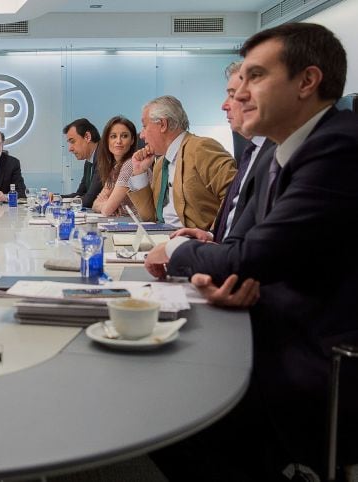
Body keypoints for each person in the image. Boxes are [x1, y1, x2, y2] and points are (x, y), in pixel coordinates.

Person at [146, 23, 358, 479]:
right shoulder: (286, 151)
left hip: (312, 351)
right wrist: (220, 266)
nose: (239, 93)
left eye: (255, 76)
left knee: (164, 410)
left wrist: (180, 249)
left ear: (308, 81)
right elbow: (245, 251)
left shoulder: (338, 146)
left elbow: (246, 259)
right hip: (269, 323)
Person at [172, 61, 275, 243]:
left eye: (233, 96)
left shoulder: (277, 157)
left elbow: (256, 246)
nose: (224, 106)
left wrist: (180, 251)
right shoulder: (252, 152)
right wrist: (212, 236)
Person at [127, 95, 236, 230]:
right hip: (163, 238)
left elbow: (235, 195)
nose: (142, 135)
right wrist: (139, 171)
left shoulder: (201, 148)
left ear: (162, 124)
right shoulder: (160, 164)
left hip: (195, 243)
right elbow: (149, 217)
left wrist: (212, 236)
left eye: (144, 126)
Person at [90, 116, 138, 216]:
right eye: (113, 136)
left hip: (143, 226)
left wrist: (109, 206)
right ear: (107, 141)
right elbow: (95, 204)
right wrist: (108, 205)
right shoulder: (115, 168)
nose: (118, 141)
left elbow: (107, 210)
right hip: (127, 223)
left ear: (132, 140)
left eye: (124, 136)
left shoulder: (131, 164)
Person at [61, 118, 102, 208]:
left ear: (87, 137)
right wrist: (57, 198)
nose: (70, 148)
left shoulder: (103, 156)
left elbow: (89, 200)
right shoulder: (89, 161)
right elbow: (80, 194)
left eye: (72, 142)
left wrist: (63, 204)